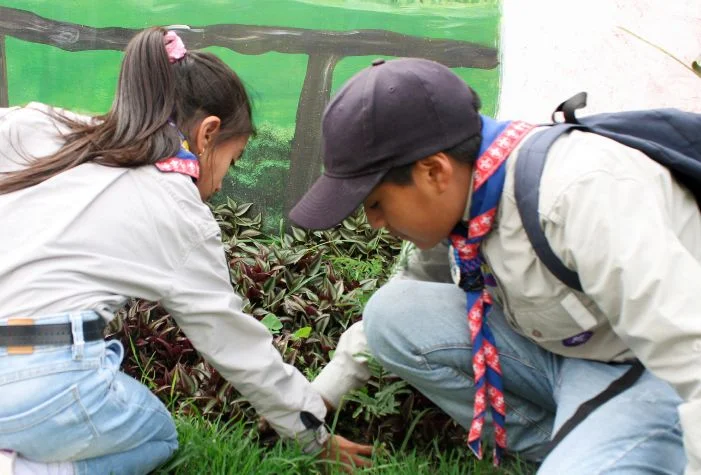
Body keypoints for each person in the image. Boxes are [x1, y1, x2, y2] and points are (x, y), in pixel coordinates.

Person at [291, 57, 701, 474]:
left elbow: (692, 352)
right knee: (390, 315)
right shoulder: (470, 193)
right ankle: (574, 448)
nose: (374, 222)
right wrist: (315, 399)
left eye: (376, 204)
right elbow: (407, 293)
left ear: (434, 171)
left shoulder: (579, 195)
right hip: (563, 353)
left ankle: (632, 449)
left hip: (646, 370)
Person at [0, 27, 372, 475]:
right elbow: (234, 343)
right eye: (231, 164)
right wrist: (312, 434)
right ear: (208, 134)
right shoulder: (177, 206)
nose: (218, 186)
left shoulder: (41, 128)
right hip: (38, 380)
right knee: (159, 434)